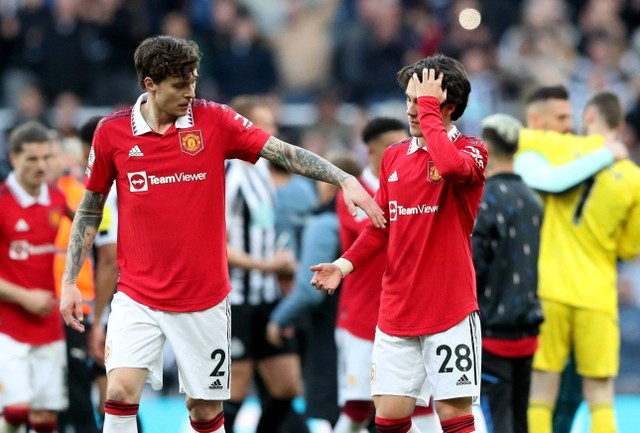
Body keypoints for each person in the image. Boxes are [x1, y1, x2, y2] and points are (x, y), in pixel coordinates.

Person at [58, 35, 384, 433]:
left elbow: (282, 151)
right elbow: (90, 208)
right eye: (180, 85)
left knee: (204, 407)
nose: (190, 92)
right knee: (121, 391)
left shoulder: (214, 120)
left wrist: (342, 177)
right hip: (137, 294)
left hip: (205, 299)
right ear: (151, 84)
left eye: (193, 81)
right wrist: (70, 280)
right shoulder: (112, 133)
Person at [311, 54, 488, 433]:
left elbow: (452, 167)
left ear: (448, 107)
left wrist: (429, 112)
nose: (410, 111)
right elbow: (380, 226)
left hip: (449, 308)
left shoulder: (472, 151)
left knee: (455, 416)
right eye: (408, 100)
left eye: (420, 101)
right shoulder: (394, 157)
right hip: (396, 308)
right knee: (388, 417)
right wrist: (342, 266)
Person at [521, 91, 640, 433]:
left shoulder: (560, 151)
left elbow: (533, 163)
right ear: (620, 125)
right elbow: (629, 249)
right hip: (598, 295)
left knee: (543, 387)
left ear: (589, 117)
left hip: (550, 289)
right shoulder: (633, 178)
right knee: (599, 391)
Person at [330, 117, 439, 433]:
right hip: (363, 319)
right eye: (393, 143)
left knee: (417, 406)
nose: (402, 148)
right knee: (357, 410)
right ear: (372, 150)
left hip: (407, 316)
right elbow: (380, 232)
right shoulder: (354, 193)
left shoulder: (407, 185)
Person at [223, 95, 308, 433]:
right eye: (265, 125)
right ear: (243, 127)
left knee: (287, 387)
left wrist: (282, 265)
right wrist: (265, 266)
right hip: (236, 300)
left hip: (267, 296)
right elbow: (215, 245)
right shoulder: (225, 173)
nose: (273, 131)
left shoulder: (260, 170)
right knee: (235, 389)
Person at [267, 153, 364, 430]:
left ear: (329, 184)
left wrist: (279, 319)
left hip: (326, 329)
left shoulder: (323, 225)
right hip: (360, 324)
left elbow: (310, 289)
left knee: (326, 408)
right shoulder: (368, 223)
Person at [472, 113, 543, 433]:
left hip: (491, 333)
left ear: (486, 146)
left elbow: (473, 267)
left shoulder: (483, 200)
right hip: (527, 330)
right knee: (520, 417)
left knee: (496, 418)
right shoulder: (533, 199)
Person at [0, 121, 69, 433]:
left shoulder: (57, 199)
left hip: (48, 324)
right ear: (14, 158)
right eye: (32, 159)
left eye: (46, 158)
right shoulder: (2, 202)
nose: (41, 166)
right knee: (16, 411)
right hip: (7, 325)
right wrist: (24, 296)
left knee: (45, 419)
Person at [47, 133, 101, 433]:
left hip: (78, 311)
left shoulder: (81, 195)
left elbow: (106, 253)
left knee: (80, 393)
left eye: (51, 156)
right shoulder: (26, 199)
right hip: (42, 309)